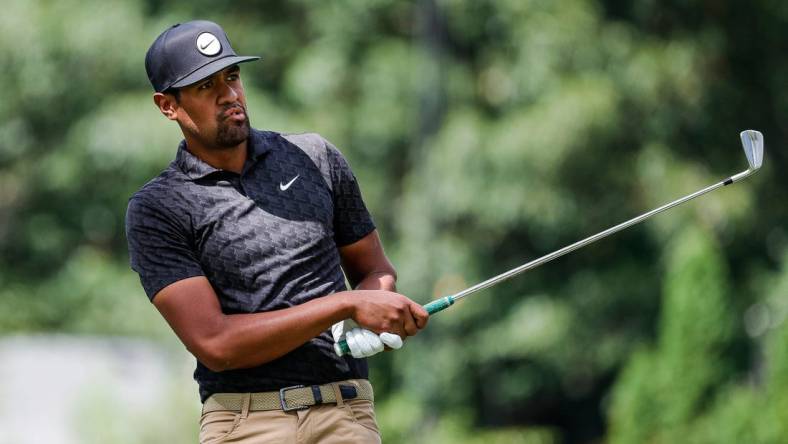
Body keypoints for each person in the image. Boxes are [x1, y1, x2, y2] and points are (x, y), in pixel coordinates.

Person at [125, 20, 429, 444]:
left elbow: (373, 267)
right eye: (205, 86)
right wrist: (345, 304)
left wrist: (375, 311)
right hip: (246, 422)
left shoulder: (315, 157)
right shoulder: (160, 207)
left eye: (232, 76)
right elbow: (217, 344)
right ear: (168, 105)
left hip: (344, 411)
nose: (229, 94)